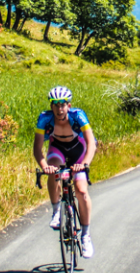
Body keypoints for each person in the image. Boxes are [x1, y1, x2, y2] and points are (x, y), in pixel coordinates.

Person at [34, 85, 97, 259]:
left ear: (69, 105)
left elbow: (91, 143)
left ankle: (85, 235)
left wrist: (84, 164)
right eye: (55, 104)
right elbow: (37, 148)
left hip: (79, 150)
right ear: (51, 106)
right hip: (58, 149)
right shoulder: (44, 119)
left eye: (63, 104)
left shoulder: (78, 116)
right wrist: (44, 165)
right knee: (54, 170)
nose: (59, 108)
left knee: (81, 190)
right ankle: (56, 211)